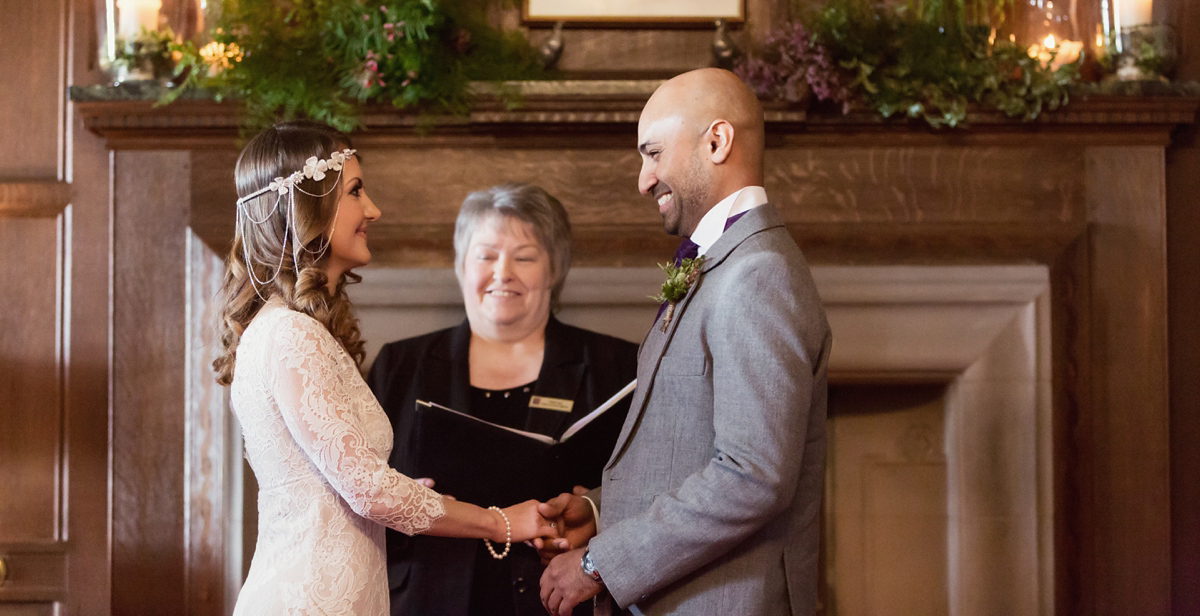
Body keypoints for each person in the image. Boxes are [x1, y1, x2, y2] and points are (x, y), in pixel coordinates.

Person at [213, 122, 556, 616]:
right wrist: (500, 522)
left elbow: (342, 485)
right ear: (312, 204)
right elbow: (370, 491)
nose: (373, 209)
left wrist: (401, 494)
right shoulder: (290, 335)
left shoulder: (292, 330)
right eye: (356, 191)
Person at [538, 68, 833, 616]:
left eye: (653, 153)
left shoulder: (757, 275)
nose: (644, 180)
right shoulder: (725, 263)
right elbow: (690, 449)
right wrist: (602, 513)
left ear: (717, 142)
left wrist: (600, 561)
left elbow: (753, 476)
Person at [368, 183, 638, 616]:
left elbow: (651, 487)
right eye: (486, 255)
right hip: (428, 599)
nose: (503, 272)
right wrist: (397, 503)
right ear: (460, 266)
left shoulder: (617, 365)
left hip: (562, 600)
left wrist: (596, 515)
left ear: (555, 269)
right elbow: (355, 489)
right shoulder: (399, 366)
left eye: (525, 257)